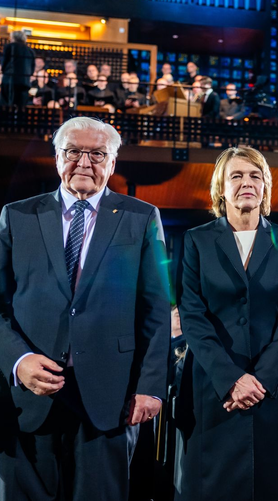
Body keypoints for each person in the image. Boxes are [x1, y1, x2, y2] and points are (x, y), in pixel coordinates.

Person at [0, 116, 171, 499]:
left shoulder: (142, 217)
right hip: (31, 394)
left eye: (97, 153)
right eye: (73, 151)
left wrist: (151, 387)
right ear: (57, 157)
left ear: (112, 164)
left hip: (111, 399)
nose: (84, 162)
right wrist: (17, 360)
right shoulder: (17, 216)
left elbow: (156, 310)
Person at [175, 146, 278, 500]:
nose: (247, 182)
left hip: (269, 386)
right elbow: (192, 314)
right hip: (213, 384)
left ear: (265, 187)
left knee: (268, 482)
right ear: (221, 188)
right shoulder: (196, 240)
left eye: (255, 175)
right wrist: (231, 379)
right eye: (236, 175)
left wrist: (259, 379)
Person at [1, 30, 35, 108]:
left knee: (6, 106)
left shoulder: (9, 46)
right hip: (24, 82)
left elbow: (4, 63)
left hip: (9, 80)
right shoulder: (30, 51)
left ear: (13, 37)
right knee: (21, 106)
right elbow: (32, 69)